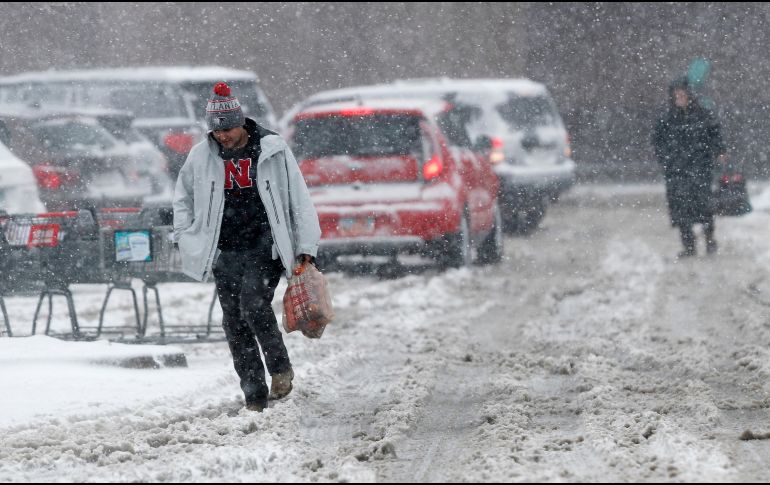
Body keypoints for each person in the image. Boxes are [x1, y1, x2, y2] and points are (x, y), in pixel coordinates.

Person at [173, 82, 321, 412]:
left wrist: (307, 244)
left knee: (253, 304)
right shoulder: (201, 155)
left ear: (241, 122)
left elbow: (299, 198)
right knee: (233, 321)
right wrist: (184, 232)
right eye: (216, 131)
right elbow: (182, 196)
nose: (223, 136)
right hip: (223, 248)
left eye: (227, 129)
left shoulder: (272, 148)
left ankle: (280, 368)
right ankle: (254, 392)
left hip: (265, 242)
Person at [653, 77, 726, 258]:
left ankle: (710, 240)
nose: (679, 97)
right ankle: (689, 245)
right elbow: (657, 142)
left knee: (704, 206)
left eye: (682, 93)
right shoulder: (667, 119)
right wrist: (666, 159)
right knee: (680, 209)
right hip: (676, 171)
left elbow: (715, 135)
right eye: (676, 94)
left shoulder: (703, 114)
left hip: (700, 168)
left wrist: (719, 151)